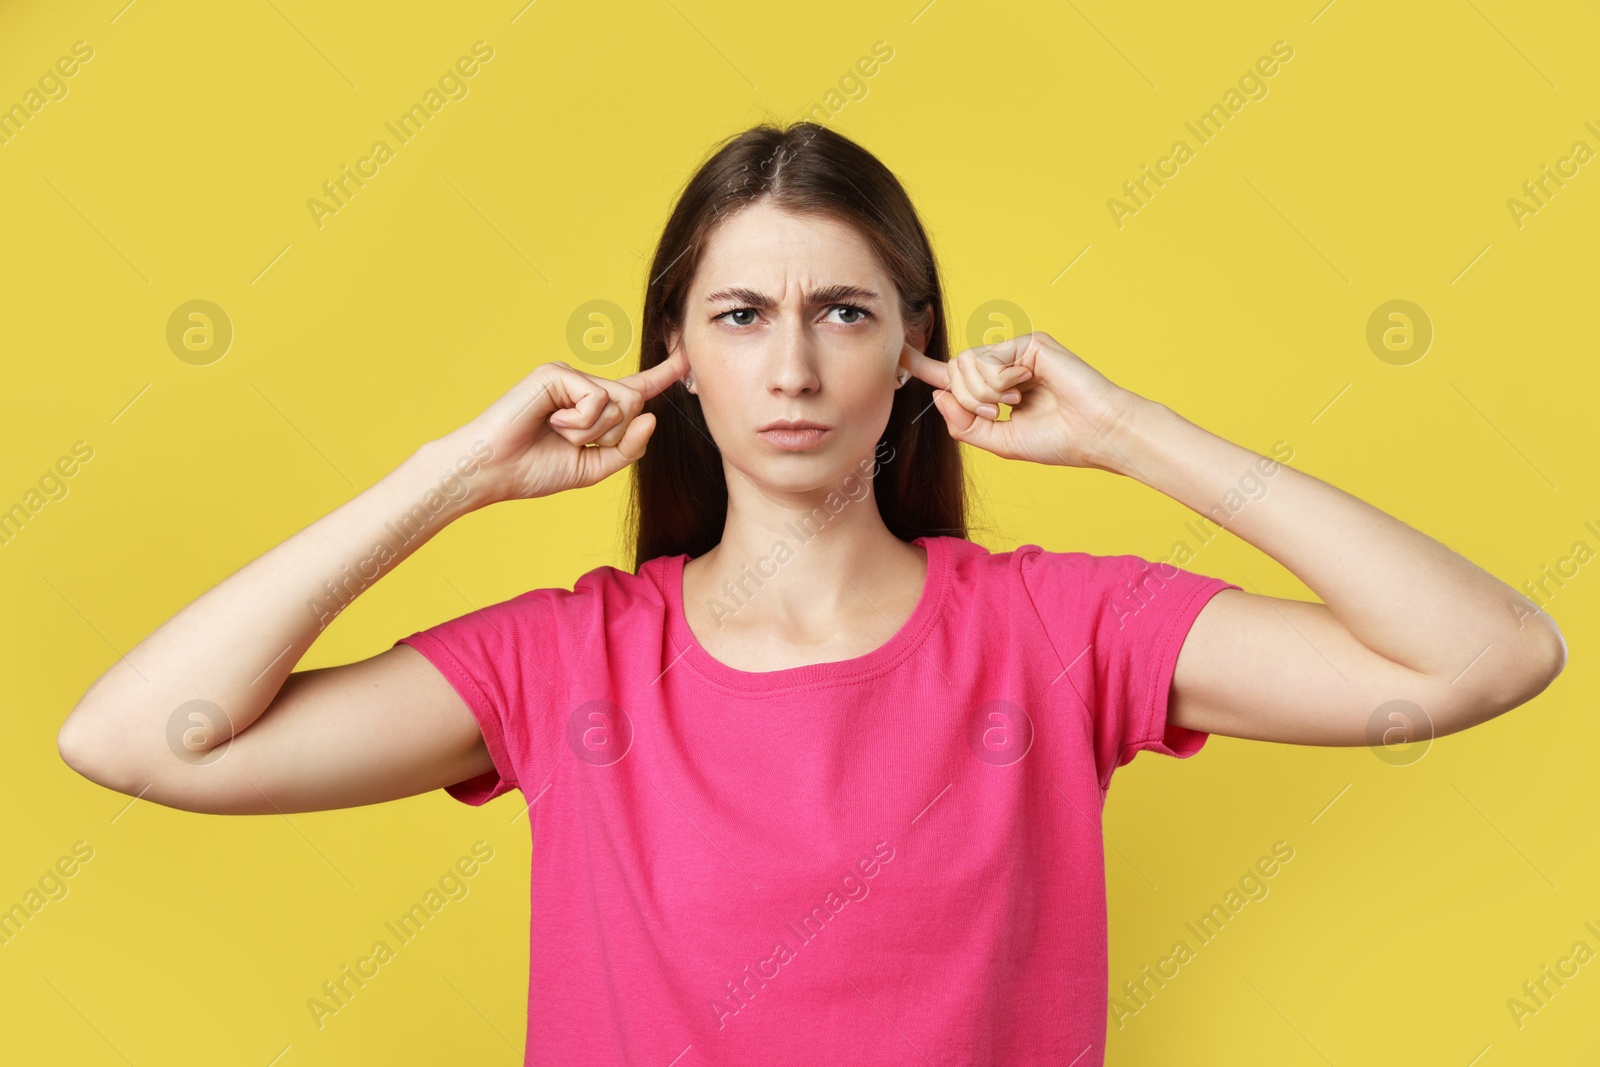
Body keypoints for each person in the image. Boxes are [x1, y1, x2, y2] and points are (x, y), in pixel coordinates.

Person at [57, 122, 1566, 1066]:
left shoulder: (1058, 634)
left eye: (843, 311)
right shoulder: (567, 662)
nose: (792, 367)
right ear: (678, 354)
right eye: (741, 315)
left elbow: (1485, 654)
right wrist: (450, 476)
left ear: (913, 344)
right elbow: (140, 740)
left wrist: (1128, 437)